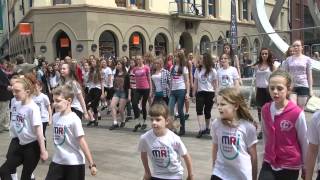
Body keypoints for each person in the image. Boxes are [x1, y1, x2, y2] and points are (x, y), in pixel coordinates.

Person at [258, 69, 308, 180]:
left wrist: (305, 166)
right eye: (272, 88)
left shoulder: (296, 113)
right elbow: (266, 136)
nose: (275, 92)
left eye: (280, 88)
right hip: (269, 161)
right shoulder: (265, 109)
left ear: (288, 89)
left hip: (290, 163)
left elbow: (304, 141)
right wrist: (264, 157)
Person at [0, 74, 48, 180]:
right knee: (4, 170)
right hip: (20, 144)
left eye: (17, 91)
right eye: (13, 91)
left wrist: (43, 151)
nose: (14, 94)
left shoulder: (33, 108)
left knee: (25, 177)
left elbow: (39, 132)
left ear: (27, 91)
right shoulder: (17, 104)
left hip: (32, 147)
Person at [45, 85, 97, 180]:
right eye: (53, 101)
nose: (55, 104)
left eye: (58, 101)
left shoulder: (74, 120)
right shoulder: (55, 117)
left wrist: (92, 164)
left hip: (74, 163)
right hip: (57, 161)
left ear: (69, 101)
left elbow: (82, 141)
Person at [211, 87, 258, 180]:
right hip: (220, 172)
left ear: (236, 106)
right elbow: (215, 148)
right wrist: (214, 168)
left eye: (223, 104)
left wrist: (254, 177)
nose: (219, 107)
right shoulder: (216, 124)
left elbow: (254, 157)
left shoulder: (248, 127)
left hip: (241, 175)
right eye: (218, 104)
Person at [138, 103, 194, 180]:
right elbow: (143, 155)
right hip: (157, 175)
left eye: (158, 119)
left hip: (175, 175)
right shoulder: (145, 138)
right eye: (152, 119)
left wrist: (191, 175)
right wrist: (147, 172)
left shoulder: (174, 138)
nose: (154, 122)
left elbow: (186, 156)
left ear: (166, 121)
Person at [252, 48, 276, 139]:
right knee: (260, 111)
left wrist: (273, 90)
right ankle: (262, 130)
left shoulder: (272, 66)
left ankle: (271, 128)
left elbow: (275, 79)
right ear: (260, 55)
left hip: (268, 90)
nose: (264, 55)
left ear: (268, 55)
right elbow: (255, 80)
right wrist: (255, 90)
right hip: (259, 89)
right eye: (262, 54)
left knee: (270, 110)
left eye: (266, 54)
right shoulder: (257, 66)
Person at [281, 40, 313, 109]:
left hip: (303, 85)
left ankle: (301, 119)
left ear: (302, 47)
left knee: (301, 109)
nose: (295, 47)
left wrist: (310, 89)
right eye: (294, 46)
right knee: (293, 107)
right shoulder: (288, 60)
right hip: (292, 86)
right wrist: (285, 86)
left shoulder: (307, 59)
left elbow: (309, 75)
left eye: (298, 45)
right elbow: (285, 74)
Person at [192, 53, 217, 138]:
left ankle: (207, 128)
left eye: (201, 59)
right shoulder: (197, 70)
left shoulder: (212, 71)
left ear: (206, 60)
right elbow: (195, 82)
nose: (200, 60)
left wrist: (216, 95)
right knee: (199, 110)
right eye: (200, 59)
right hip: (200, 92)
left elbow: (215, 84)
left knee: (207, 111)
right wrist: (193, 94)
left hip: (210, 93)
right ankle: (201, 129)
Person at [168, 52, 190, 136]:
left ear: (180, 58)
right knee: (170, 109)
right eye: (175, 57)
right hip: (173, 91)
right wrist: (170, 91)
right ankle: (172, 128)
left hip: (181, 90)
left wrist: (187, 93)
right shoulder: (172, 67)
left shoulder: (184, 68)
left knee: (180, 110)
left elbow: (186, 81)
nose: (175, 58)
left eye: (177, 57)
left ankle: (182, 128)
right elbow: (171, 80)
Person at [132, 55, 152, 132]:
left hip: (146, 88)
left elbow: (149, 79)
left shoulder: (146, 68)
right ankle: (137, 122)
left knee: (143, 105)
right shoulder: (134, 69)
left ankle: (144, 121)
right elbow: (133, 79)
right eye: (137, 59)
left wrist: (150, 90)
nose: (138, 60)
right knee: (134, 103)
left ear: (142, 60)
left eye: (139, 59)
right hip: (138, 89)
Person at [109, 60, 130, 130]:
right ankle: (115, 122)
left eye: (119, 64)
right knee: (112, 105)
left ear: (122, 65)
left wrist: (129, 95)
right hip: (117, 92)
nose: (117, 65)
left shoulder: (126, 74)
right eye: (117, 64)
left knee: (121, 109)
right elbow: (114, 83)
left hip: (124, 92)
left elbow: (129, 86)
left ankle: (123, 120)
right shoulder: (116, 74)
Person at [33, 80, 52, 146]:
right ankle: (38, 149)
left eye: (36, 87)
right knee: (36, 134)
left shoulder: (44, 97)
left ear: (40, 88)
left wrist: (50, 119)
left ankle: (44, 149)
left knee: (41, 134)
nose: (34, 89)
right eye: (33, 87)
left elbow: (49, 107)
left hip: (43, 119)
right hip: (35, 119)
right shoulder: (32, 97)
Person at [86, 58, 104, 126]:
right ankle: (92, 119)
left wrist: (102, 93)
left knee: (93, 106)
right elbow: (89, 82)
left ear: (97, 62)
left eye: (93, 61)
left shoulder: (100, 71)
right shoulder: (90, 71)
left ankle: (95, 120)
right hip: (91, 89)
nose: (92, 62)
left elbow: (102, 82)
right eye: (92, 61)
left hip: (98, 89)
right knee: (86, 104)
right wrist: (88, 90)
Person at [0, 59, 12, 133]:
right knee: (3, 111)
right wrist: (6, 86)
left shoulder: (3, 71)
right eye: (5, 63)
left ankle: (6, 126)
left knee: (7, 111)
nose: (6, 65)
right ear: (2, 64)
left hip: (6, 94)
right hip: (2, 94)